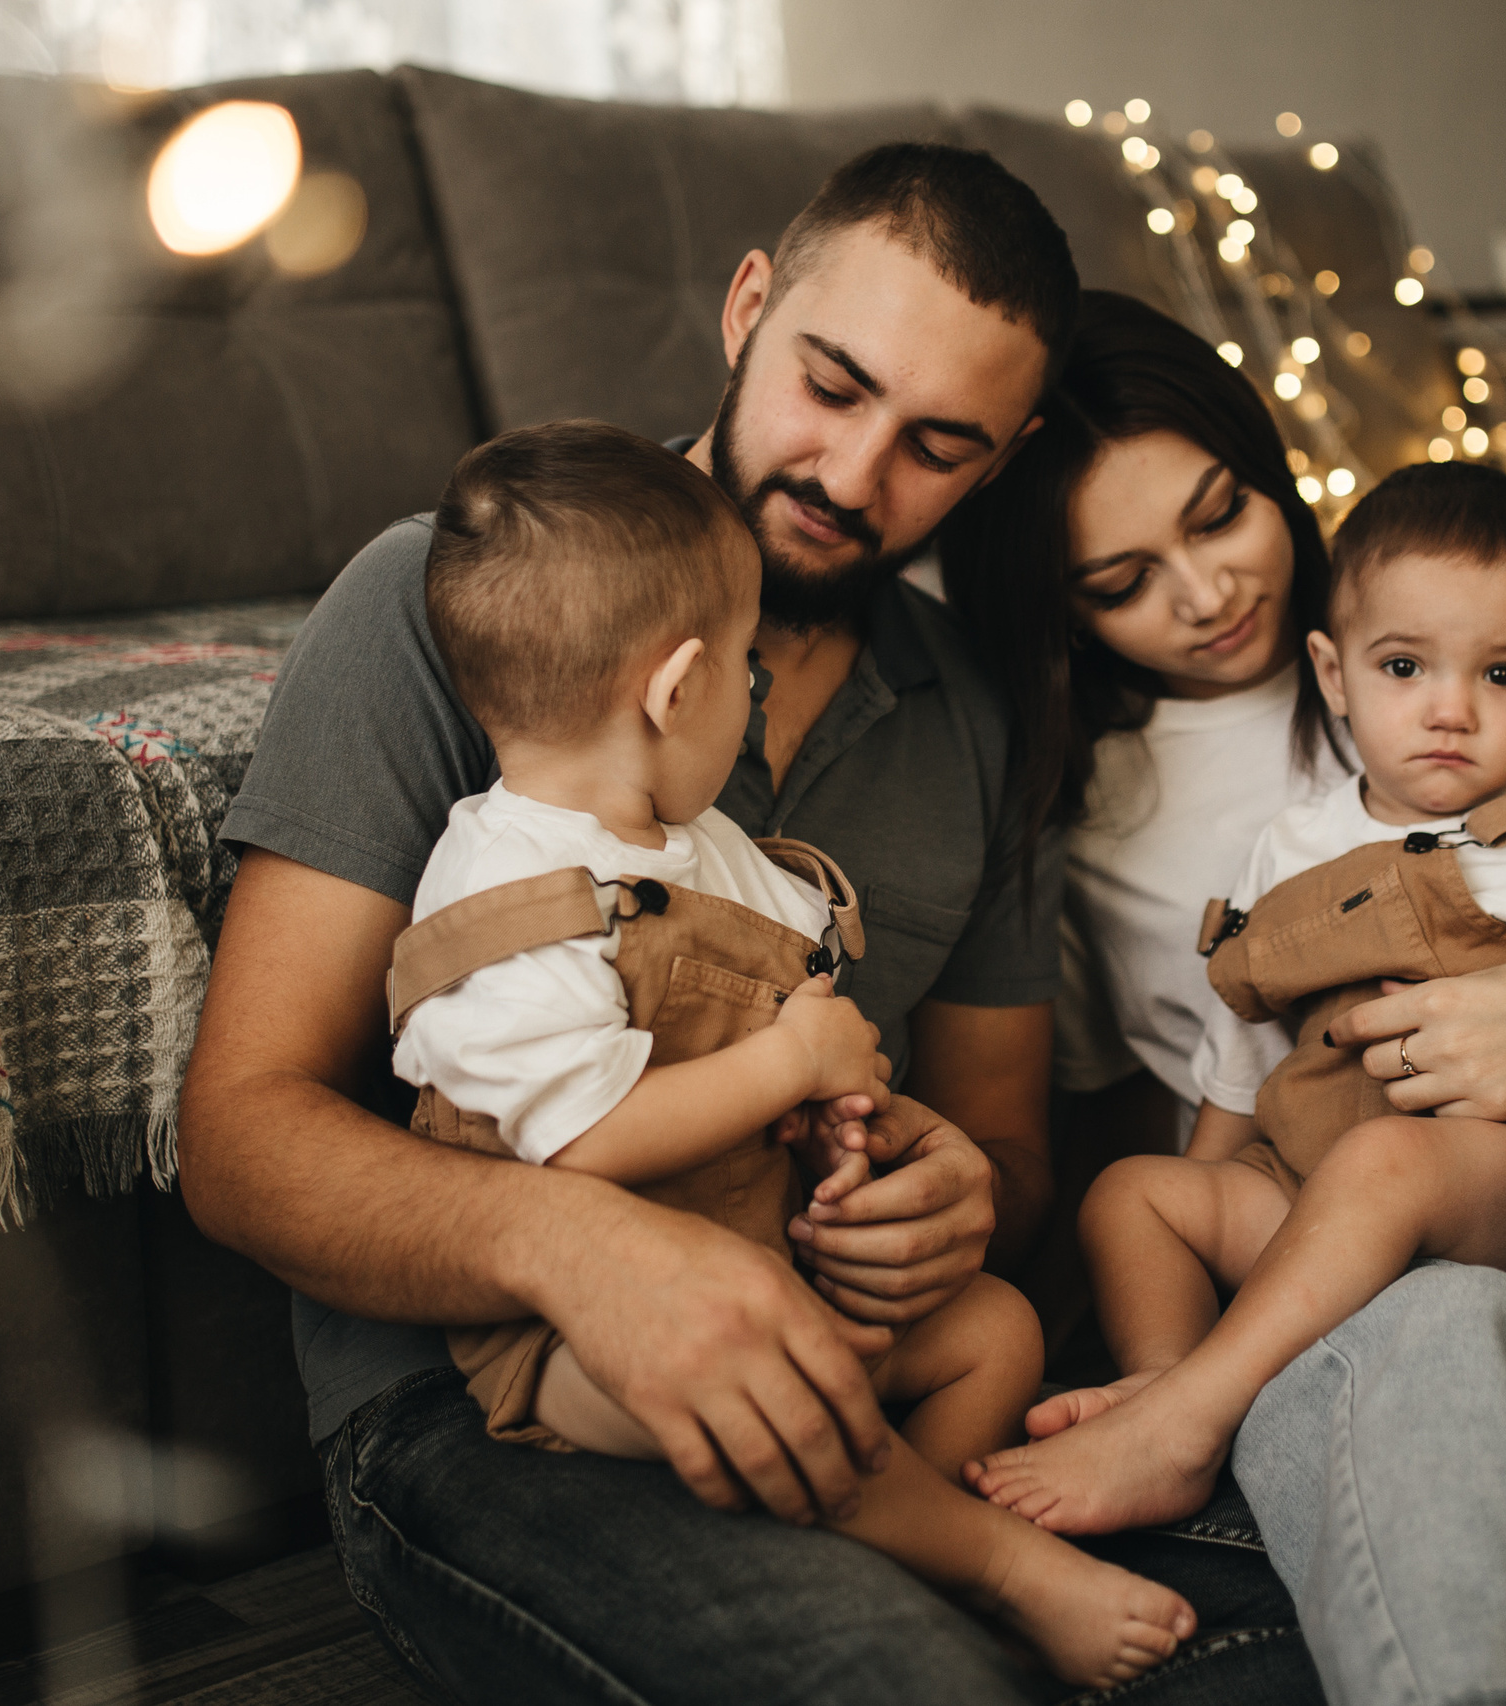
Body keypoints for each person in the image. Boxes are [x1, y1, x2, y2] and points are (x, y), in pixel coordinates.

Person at [179, 150, 1317, 1704]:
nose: (852, 476)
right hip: (494, 1407)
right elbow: (242, 1138)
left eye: (936, 444)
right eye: (830, 385)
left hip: (852, 1357)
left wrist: (953, 1195)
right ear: (748, 307)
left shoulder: (975, 709)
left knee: (1292, 1651)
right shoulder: (452, 598)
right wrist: (580, 1248)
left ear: (1009, 455)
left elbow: (1003, 1146)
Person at [941, 292, 1506, 1706]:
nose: (1205, 593)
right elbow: (1201, 1073)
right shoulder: (1080, 787)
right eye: (1120, 581)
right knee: (1249, 1236)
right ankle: (1184, 1402)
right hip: (1328, 1284)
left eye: (1221, 511)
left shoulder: (1496, 631)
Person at [387, 419, 1195, 1687]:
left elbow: (807, 1034)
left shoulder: (709, 851)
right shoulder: (506, 887)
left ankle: (901, 1527)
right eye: (746, 664)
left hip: (769, 1255)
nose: (757, 693)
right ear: (677, 687)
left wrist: (862, 1125)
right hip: (583, 1341)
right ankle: (991, 1559)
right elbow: (578, 1140)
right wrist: (791, 1064)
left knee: (996, 1328)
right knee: (784, 1389)